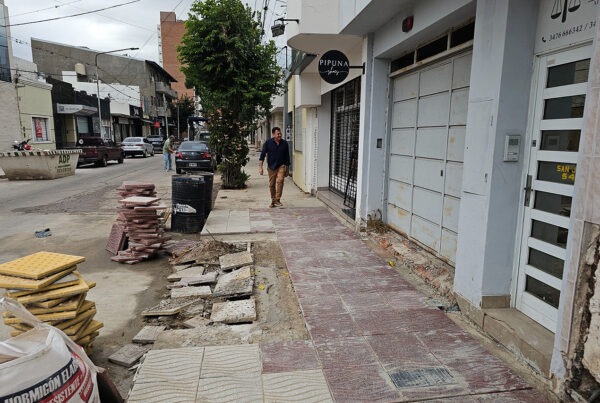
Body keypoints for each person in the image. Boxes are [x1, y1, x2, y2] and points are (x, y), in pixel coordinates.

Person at [259, 127, 290, 208]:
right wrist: (260, 167)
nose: (280, 135)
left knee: (280, 180)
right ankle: (273, 200)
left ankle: (277, 199)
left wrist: (287, 169)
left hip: (281, 165)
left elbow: (287, 157)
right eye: (278, 134)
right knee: (272, 184)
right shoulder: (268, 143)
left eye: (280, 133)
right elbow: (262, 155)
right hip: (271, 167)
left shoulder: (284, 143)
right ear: (273, 134)